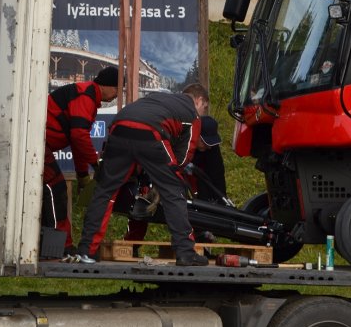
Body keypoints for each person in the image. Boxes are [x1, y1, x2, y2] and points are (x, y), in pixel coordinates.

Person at [73, 83, 210, 266]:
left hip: (119, 126)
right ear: (199, 100)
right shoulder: (191, 113)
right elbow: (184, 155)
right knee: (174, 192)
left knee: (104, 190)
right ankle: (185, 252)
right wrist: (165, 179)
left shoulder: (159, 99)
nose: (203, 112)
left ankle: (86, 251)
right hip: (151, 131)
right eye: (205, 108)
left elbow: (132, 137)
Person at [42, 66, 119, 255]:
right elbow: (78, 136)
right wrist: (95, 163)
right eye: (117, 88)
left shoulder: (89, 96)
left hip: (41, 144)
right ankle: (57, 248)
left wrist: (83, 175)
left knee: (51, 192)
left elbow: (77, 142)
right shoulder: (86, 96)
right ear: (107, 85)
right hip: (36, 143)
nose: (118, 94)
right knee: (56, 190)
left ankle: (59, 246)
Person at [121, 114, 227, 242]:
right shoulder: (177, 138)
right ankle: (133, 243)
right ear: (196, 134)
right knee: (143, 203)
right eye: (205, 142)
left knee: (202, 202)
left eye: (211, 143)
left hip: (193, 176)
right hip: (163, 169)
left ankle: (199, 238)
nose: (209, 146)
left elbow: (217, 177)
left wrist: (222, 206)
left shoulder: (211, 150)